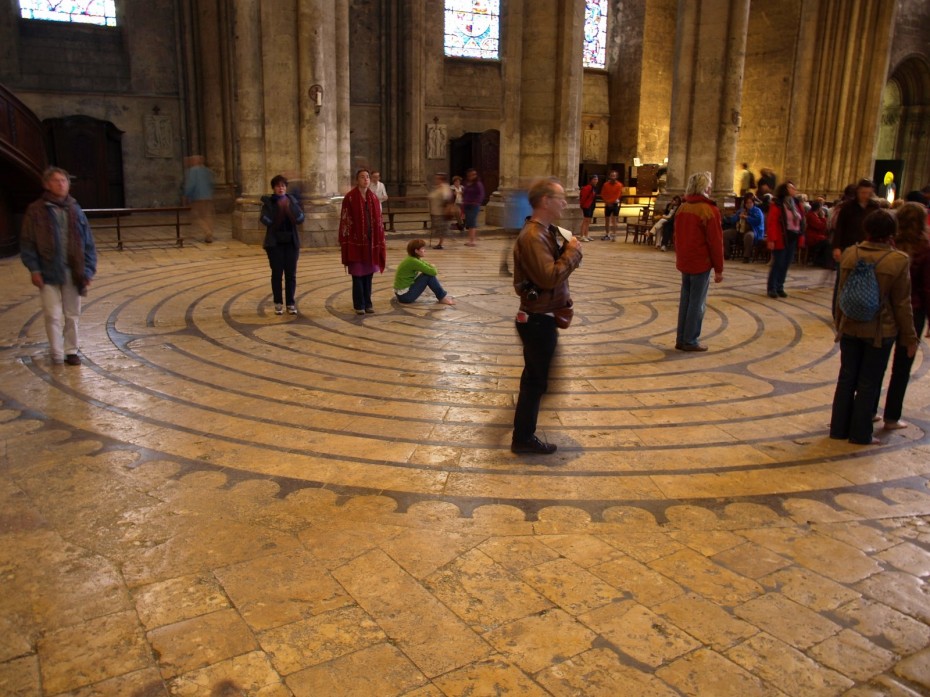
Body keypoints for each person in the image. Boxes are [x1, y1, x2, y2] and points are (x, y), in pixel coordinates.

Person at [830, 209, 917, 445]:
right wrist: (910, 337)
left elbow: (840, 293)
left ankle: (838, 429)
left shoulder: (850, 253)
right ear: (892, 233)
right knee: (869, 381)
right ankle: (860, 434)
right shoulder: (898, 260)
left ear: (866, 229)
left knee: (846, 378)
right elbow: (902, 304)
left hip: (849, 327)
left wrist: (840, 324)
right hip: (880, 331)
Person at [511, 178, 583, 454]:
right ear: (545, 201)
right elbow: (548, 276)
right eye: (560, 197)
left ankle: (523, 434)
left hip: (544, 316)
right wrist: (573, 253)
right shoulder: (532, 236)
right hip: (538, 318)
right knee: (534, 382)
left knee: (536, 380)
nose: (565, 202)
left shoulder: (545, 231)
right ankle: (523, 438)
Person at [20, 167, 98, 366]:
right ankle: (56, 352)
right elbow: (28, 243)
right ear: (47, 184)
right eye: (56, 181)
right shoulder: (35, 210)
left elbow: (88, 242)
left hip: (73, 270)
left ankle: (71, 350)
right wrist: (34, 269)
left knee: (72, 314)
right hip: (47, 271)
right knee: (52, 314)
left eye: (64, 181)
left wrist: (88, 270)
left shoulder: (75, 209)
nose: (61, 184)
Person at [876, 202, 930, 430]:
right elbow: (927, 288)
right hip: (913, 311)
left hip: (885, 310)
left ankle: (869, 411)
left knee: (877, 363)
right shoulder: (925, 248)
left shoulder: (890, 243)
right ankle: (891, 417)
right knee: (902, 367)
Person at [673, 171, 724, 352]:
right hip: (700, 262)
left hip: (685, 261)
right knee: (697, 303)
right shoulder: (709, 210)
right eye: (709, 184)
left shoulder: (683, 208)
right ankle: (690, 340)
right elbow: (715, 241)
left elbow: (677, 236)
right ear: (704, 187)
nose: (711, 187)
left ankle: (681, 338)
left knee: (686, 301)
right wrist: (719, 268)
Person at [339, 168, 386, 315]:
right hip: (355, 243)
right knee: (358, 275)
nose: (365, 179)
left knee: (368, 275)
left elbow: (379, 221)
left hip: (371, 243)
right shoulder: (350, 197)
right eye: (362, 177)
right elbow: (345, 220)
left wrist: (380, 239)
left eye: (367, 177)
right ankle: (359, 304)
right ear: (357, 180)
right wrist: (345, 240)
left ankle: (368, 303)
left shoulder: (373, 198)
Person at [260, 174, 305, 315]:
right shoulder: (268, 202)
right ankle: (278, 302)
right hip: (275, 244)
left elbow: (300, 218)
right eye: (278, 186)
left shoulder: (292, 201)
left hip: (291, 243)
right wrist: (279, 211)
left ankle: (290, 303)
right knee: (277, 274)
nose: (281, 188)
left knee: (291, 275)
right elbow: (264, 219)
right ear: (273, 188)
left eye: (283, 186)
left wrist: (290, 209)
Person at [766, 181, 805, 298]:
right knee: (778, 263)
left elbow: (802, 219)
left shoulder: (796, 203)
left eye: (794, 187)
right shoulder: (777, 203)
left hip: (793, 236)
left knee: (786, 263)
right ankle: (772, 288)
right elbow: (772, 222)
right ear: (785, 189)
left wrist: (801, 235)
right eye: (791, 188)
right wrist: (771, 239)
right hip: (781, 236)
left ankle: (780, 286)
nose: (794, 189)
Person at [393, 239, 456, 306]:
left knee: (427, 274)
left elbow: (427, 265)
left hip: (402, 295)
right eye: (422, 248)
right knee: (428, 276)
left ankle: (442, 296)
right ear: (416, 251)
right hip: (405, 297)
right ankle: (442, 297)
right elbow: (433, 272)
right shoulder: (413, 261)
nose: (424, 250)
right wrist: (433, 267)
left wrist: (431, 266)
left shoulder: (413, 259)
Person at [182, 154, 215, 243]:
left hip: (198, 197)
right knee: (207, 216)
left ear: (195, 161)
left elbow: (191, 185)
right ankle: (209, 235)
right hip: (208, 196)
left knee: (196, 216)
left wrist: (186, 195)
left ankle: (207, 232)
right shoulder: (207, 170)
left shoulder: (193, 171)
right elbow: (212, 183)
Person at [722, 193, 764, 262]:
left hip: (752, 230)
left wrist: (747, 218)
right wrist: (738, 216)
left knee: (749, 236)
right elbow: (732, 220)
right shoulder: (741, 210)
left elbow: (758, 221)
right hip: (739, 230)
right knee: (725, 234)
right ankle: (726, 254)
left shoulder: (757, 211)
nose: (748, 204)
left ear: (753, 203)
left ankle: (746, 256)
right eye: (747, 203)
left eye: (750, 203)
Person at [428, 172, 455, 250]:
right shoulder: (437, 187)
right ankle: (442, 241)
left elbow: (447, 199)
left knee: (441, 228)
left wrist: (445, 207)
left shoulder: (445, 187)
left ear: (441, 179)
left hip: (441, 212)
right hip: (435, 211)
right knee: (438, 228)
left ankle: (441, 243)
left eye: (437, 178)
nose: (435, 180)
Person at [805, 199, 831, 268]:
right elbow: (820, 226)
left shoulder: (814, 215)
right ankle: (823, 262)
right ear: (819, 208)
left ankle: (821, 261)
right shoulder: (811, 215)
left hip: (816, 236)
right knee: (827, 243)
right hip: (812, 237)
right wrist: (823, 218)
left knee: (828, 241)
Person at [462, 168, 485, 246]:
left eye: (474, 174)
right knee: (469, 222)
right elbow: (464, 193)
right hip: (467, 204)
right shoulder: (466, 183)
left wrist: (476, 202)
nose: (472, 176)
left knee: (472, 222)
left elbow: (481, 194)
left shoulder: (478, 184)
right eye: (471, 175)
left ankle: (472, 241)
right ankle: (470, 239)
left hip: (474, 205)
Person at [599, 170, 623, 241]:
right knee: (607, 219)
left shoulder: (619, 185)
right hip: (608, 203)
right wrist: (607, 202)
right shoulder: (605, 185)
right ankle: (607, 234)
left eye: (614, 176)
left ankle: (614, 234)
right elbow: (603, 194)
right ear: (609, 176)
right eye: (612, 175)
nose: (613, 177)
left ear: (616, 177)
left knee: (614, 220)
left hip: (615, 204)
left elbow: (618, 195)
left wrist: (612, 202)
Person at [578, 174, 598, 242]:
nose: (596, 181)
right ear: (591, 180)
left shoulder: (594, 187)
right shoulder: (587, 188)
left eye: (596, 179)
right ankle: (582, 235)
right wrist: (582, 205)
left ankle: (586, 234)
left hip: (591, 205)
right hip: (587, 205)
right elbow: (583, 197)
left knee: (589, 221)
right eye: (594, 179)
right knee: (585, 220)